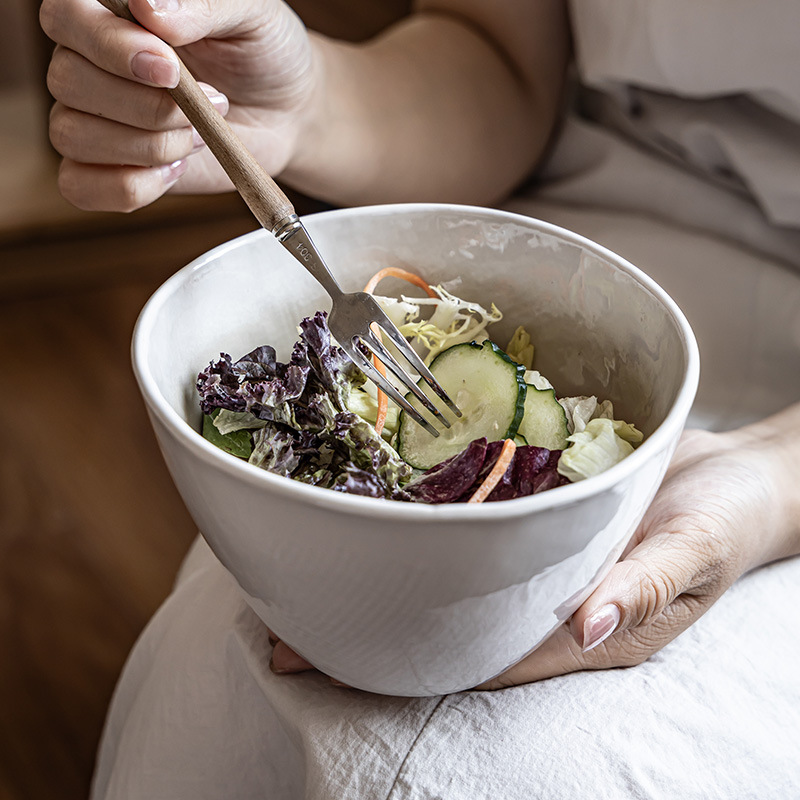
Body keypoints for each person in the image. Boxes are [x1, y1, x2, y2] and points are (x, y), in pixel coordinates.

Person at [40, 0, 800, 796]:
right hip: (555, 241)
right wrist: (309, 109)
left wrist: (776, 477)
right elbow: (498, 60)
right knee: (223, 674)